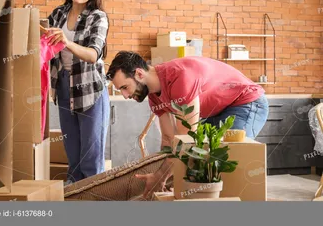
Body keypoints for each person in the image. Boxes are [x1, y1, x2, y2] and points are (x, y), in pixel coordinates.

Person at [106, 51, 269, 198]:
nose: (125, 95)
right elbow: (169, 140)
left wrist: (162, 175)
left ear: (139, 74)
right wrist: (162, 178)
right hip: (215, 110)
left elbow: (186, 140)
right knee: (202, 164)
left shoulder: (180, 76)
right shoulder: (154, 97)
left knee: (222, 163)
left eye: (125, 87)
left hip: (246, 101)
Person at [43, 0, 110, 183]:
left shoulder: (98, 17)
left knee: (90, 157)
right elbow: (44, 45)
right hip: (63, 85)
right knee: (73, 155)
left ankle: (94, 202)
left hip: (90, 88)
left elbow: (93, 54)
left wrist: (66, 42)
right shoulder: (58, 14)